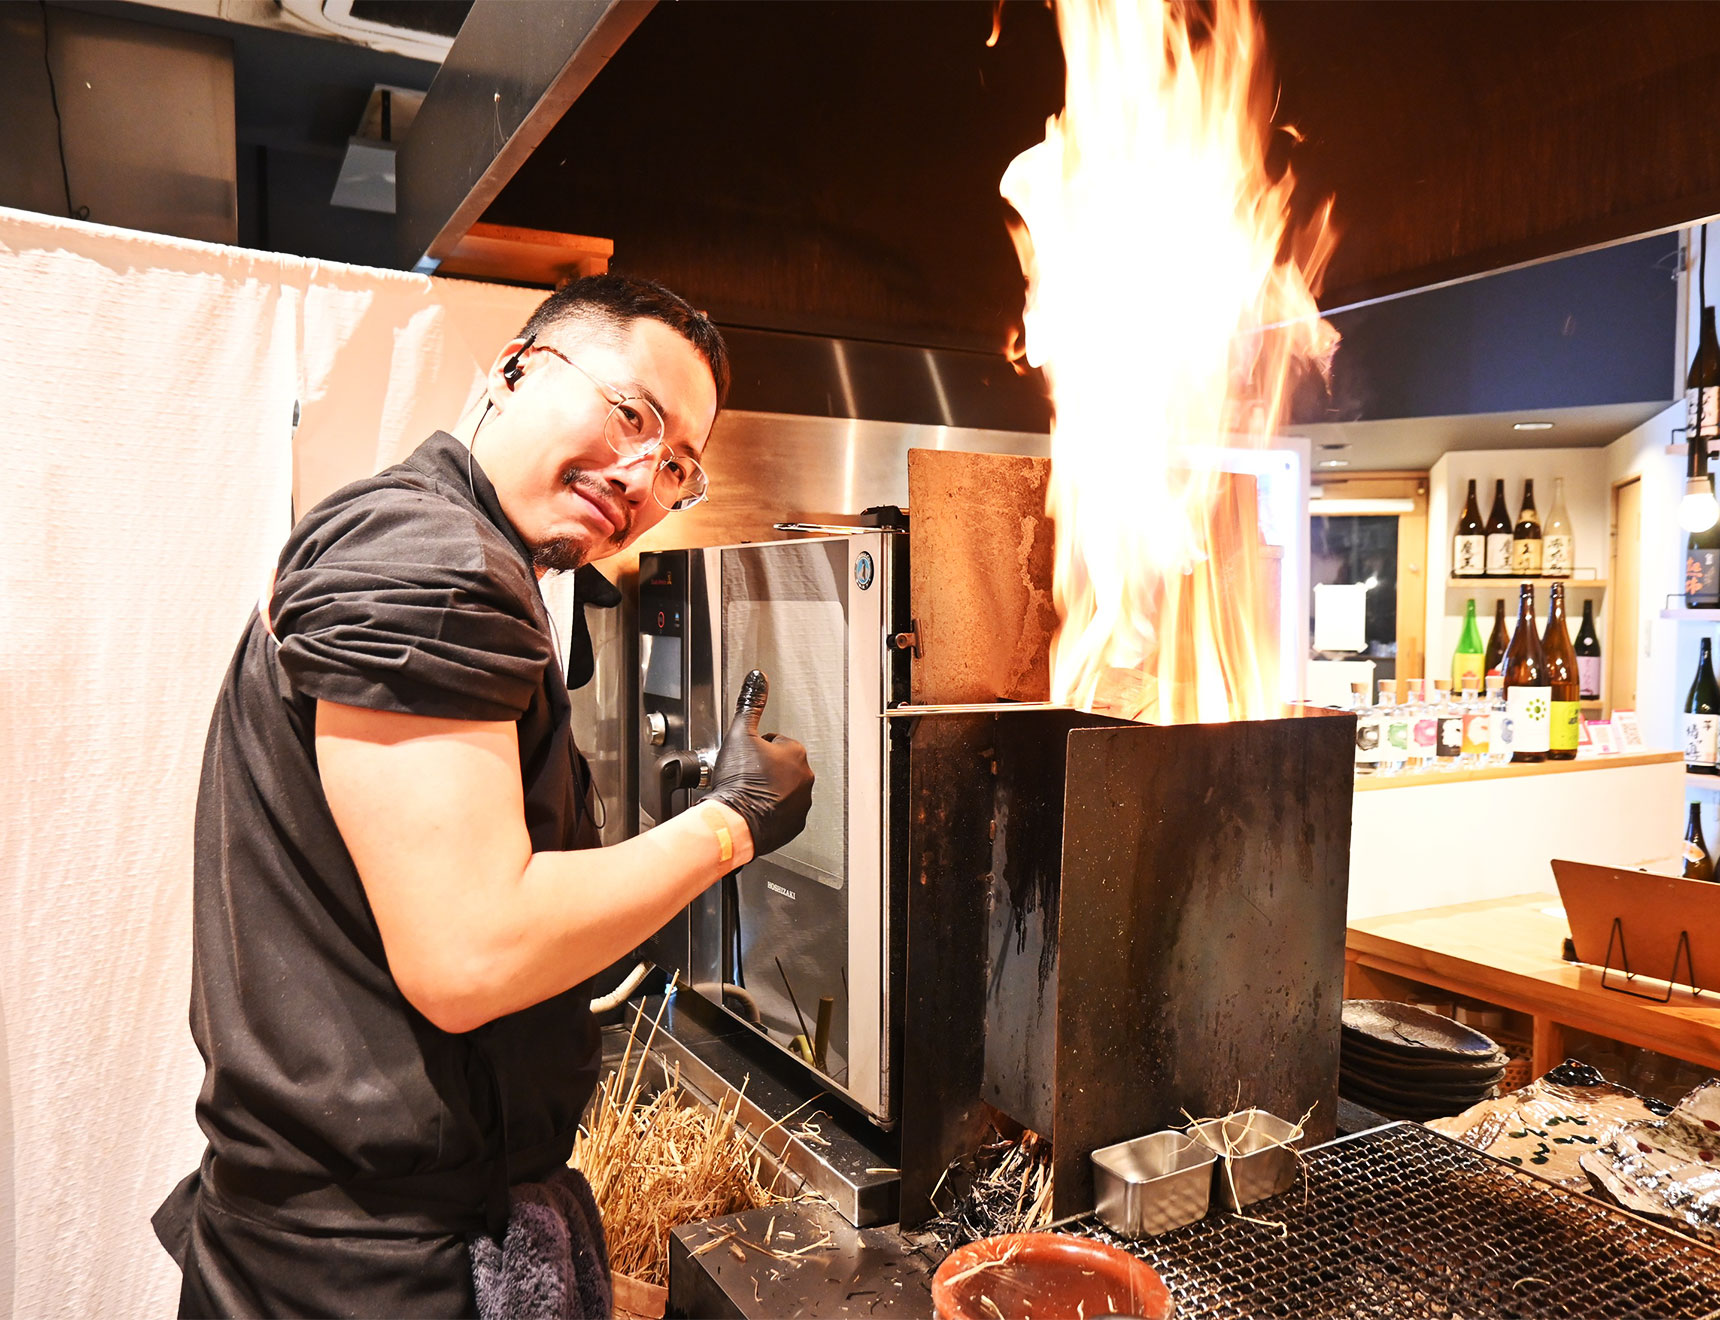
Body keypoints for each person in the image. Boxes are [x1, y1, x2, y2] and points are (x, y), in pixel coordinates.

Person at [153, 274, 815, 1317]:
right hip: (367, 1280)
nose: (644, 474)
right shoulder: (431, 565)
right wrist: (730, 823)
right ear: (515, 370)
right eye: (630, 413)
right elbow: (469, 953)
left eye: (678, 463)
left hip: (348, 1241)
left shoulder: (449, 549)